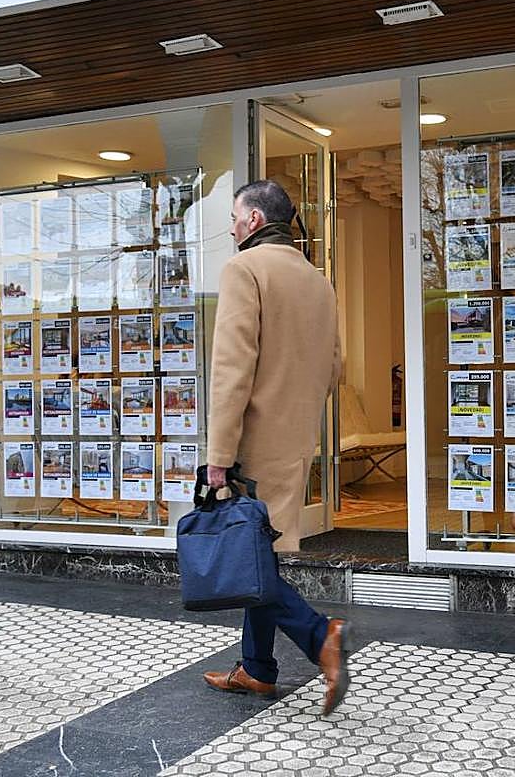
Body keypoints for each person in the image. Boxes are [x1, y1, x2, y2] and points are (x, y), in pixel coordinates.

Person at [201, 179, 352, 716]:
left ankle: (318, 636)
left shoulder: (244, 270)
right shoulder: (318, 281)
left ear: (256, 221)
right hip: (297, 435)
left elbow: (231, 372)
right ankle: (259, 669)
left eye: (236, 217)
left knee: (251, 558)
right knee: (260, 553)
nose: (233, 228)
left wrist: (218, 455)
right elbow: (333, 368)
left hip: (254, 439)